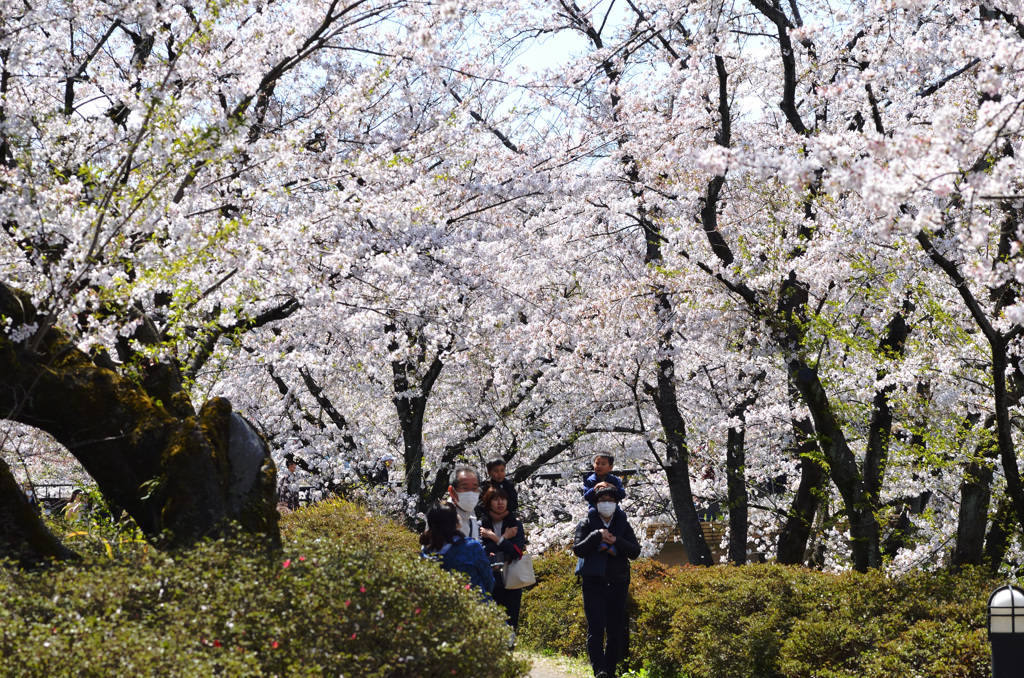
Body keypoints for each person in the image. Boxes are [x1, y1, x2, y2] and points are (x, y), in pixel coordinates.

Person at [573, 485, 641, 678]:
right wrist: (597, 535)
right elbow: (578, 549)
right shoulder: (586, 523)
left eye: (610, 500)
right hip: (593, 583)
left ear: (617, 503)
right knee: (596, 627)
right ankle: (599, 670)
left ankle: (609, 672)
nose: (606, 504)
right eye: (602, 500)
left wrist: (616, 540)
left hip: (618, 582)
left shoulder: (623, 524)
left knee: (615, 630)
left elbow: (634, 551)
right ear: (595, 503)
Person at [479, 486, 527, 632]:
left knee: (511, 622)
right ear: (488, 503)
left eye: (503, 499)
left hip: (511, 579)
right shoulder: (481, 526)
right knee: (490, 623)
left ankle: (509, 652)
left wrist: (495, 538)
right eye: (496, 499)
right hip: (489, 579)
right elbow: (482, 552)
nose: (500, 503)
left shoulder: (515, 524)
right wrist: (505, 539)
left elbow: (515, 552)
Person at [420, 502, 494, 596]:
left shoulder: (426, 553)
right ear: (455, 523)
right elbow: (489, 583)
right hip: (474, 605)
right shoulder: (471, 547)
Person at [447, 465, 481, 539]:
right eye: (465, 488)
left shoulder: (472, 514)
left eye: (474, 488)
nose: (470, 493)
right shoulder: (443, 515)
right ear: (451, 491)